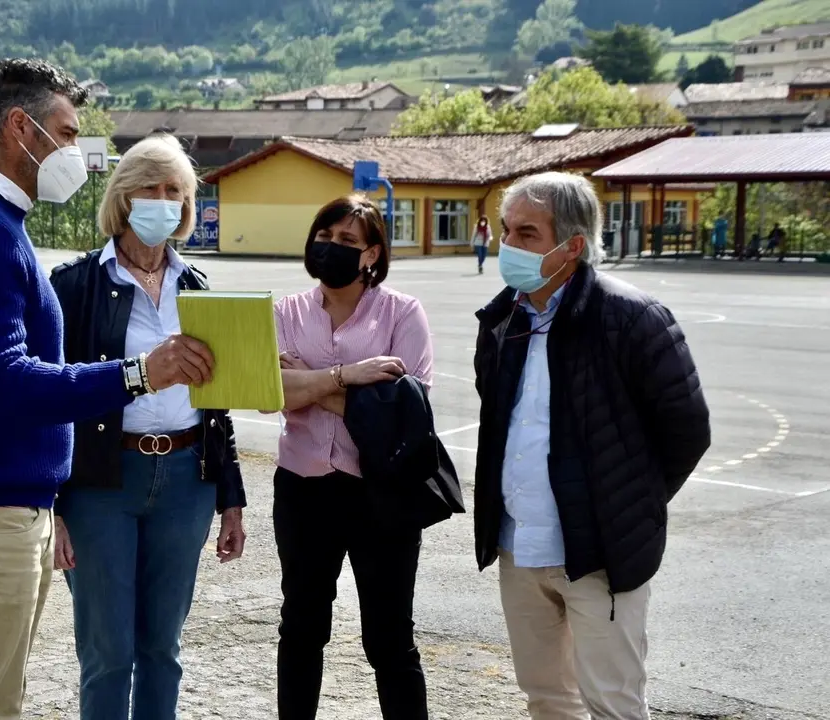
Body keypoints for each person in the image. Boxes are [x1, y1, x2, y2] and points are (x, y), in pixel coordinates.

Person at [0, 59, 215, 720]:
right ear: (20, 127)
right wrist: (138, 374)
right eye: (67, 134)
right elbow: (1, 384)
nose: (76, 152)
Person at [472, 172, 711, 719]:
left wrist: (626, 505)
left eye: (527, 234)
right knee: (547, 698)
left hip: (600, 553)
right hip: (519, 546)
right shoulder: (503, 319)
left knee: (612, 704)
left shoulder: (631, 318)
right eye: (506, 230)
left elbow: (687, 431)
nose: (508, 245)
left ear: (572, 246)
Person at [47, 133, 247, 720]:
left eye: (174, 191)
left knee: (163, 649)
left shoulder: (196, 286)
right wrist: (52, 507)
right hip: (100, 484)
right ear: (122, 197)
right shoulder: (73, 286)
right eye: (149, 189)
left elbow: (218, 405)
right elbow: (50, 398)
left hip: (186, 480)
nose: (163, 201)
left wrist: (231, 498)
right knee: (109, 654)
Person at [271, 194, 435, 720]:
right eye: (324, 236)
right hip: (303, 489)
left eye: (347, 240)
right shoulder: (285, 312)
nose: (331, 247)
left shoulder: (402, 313)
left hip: (381, 493)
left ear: (372, 253)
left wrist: (309, 382)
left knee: (389, 639)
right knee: (301, 627)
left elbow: (404, 416)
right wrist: (349, 378)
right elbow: (270, 393)